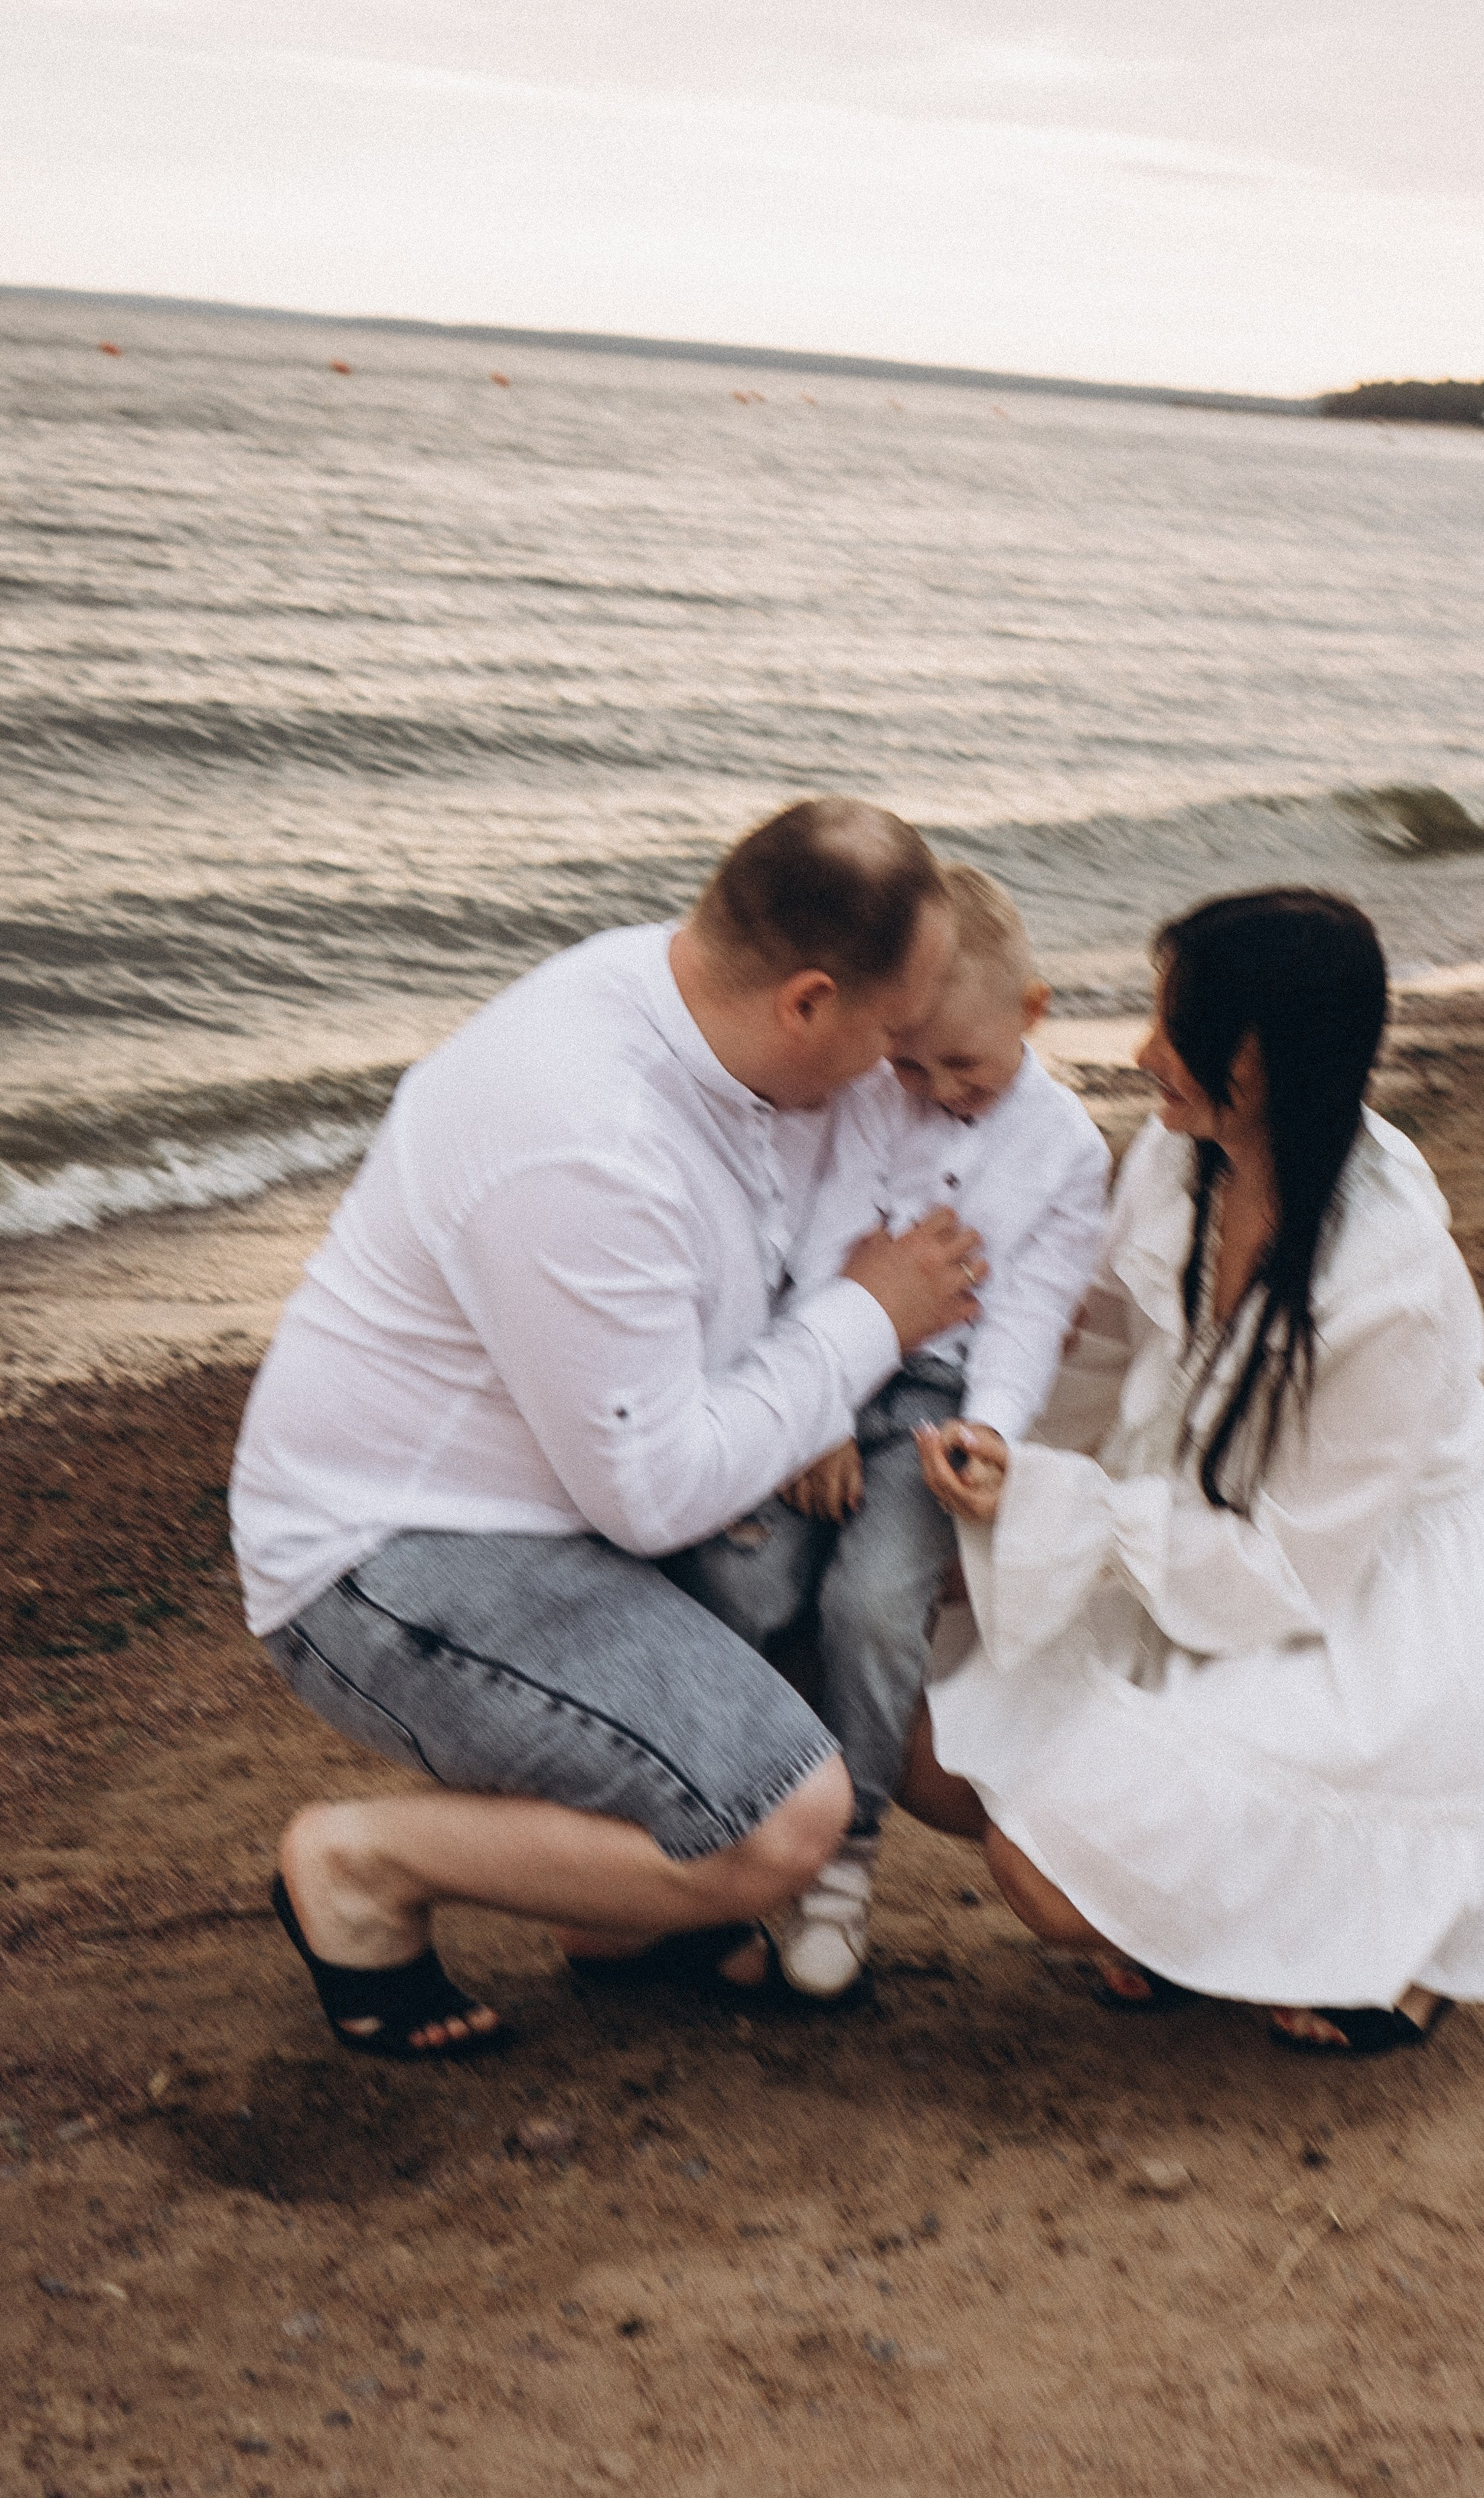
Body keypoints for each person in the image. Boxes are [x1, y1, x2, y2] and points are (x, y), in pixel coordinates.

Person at [230, 798, 988, 2059]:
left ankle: (617, 1915)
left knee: (854, 1622)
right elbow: (658, 1487)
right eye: (892, 1039)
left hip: (567, 1509)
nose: (897, 1075)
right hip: (393, 1559)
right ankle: (360, 1867)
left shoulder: (727, 1031)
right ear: (807, 1001)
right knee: (778, 1816)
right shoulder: (584, 1132)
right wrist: (875, 1318)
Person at [908, 886, 1484, 2054]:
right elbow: (1103, 1349)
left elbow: (1289, 1568)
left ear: (1253, 1063)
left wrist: (1061, 1513)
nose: (1143, 1053)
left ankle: (1381, 1950)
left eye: (1174, 1029)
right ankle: (1197, 1926)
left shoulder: (1389, 1279)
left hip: (1358, 1604)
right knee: (925, 1745)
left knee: (1046, 1875)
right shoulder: (1179, 1159)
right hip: (1186, 1518)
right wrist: (997, 1457)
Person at [667, 865, 1109, 1997]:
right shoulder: (874, 1097)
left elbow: (1030, 1312)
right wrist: (814, 1404)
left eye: (962, 1065)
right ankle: (725, 1819)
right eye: (909, 1060)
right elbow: (819, 1245)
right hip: (824, 1370)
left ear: (1033, 1012)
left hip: (937, 1410)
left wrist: (993, 1434)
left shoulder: (1065, 1152)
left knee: (872, 1604)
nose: (933, 1087)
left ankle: (842, 1859)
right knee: (751, 1582)